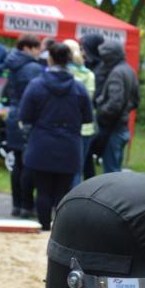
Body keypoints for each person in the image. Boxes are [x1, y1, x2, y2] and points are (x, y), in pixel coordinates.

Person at [18, 42, 93, 230]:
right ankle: (59, 231)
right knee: (62, 191)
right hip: (69, 145)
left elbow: (25, 115)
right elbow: (87, 118)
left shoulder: (36, 85)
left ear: (50, 59)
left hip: (41, 143)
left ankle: (44, 227)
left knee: (43, 190)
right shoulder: (78, 88)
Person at [4, 34, 44, 219]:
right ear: (28, 47)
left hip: (13, 115)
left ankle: (16, 204)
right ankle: (27, 205)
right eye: (37, 47)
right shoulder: (34, 68)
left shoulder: (13, 64)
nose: (40, 51)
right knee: (29, 165)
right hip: (28, 118)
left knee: (18, 163)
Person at [91, 39, 139, 173]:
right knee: (115, 171)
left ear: (109, 56)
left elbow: (114, 104)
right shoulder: (129, 70)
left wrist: (100, 112)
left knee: (111, 174)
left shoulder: (117, 73)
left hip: (114, 129)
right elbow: (135, 101)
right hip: (122, 128)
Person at [63, 38, 97, 182]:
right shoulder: (88, 75)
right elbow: (88, 100)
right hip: (85, 127)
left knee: (62, 168)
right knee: (77, 168)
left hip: (65, 125)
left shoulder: (61, 74)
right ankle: (73, 201)